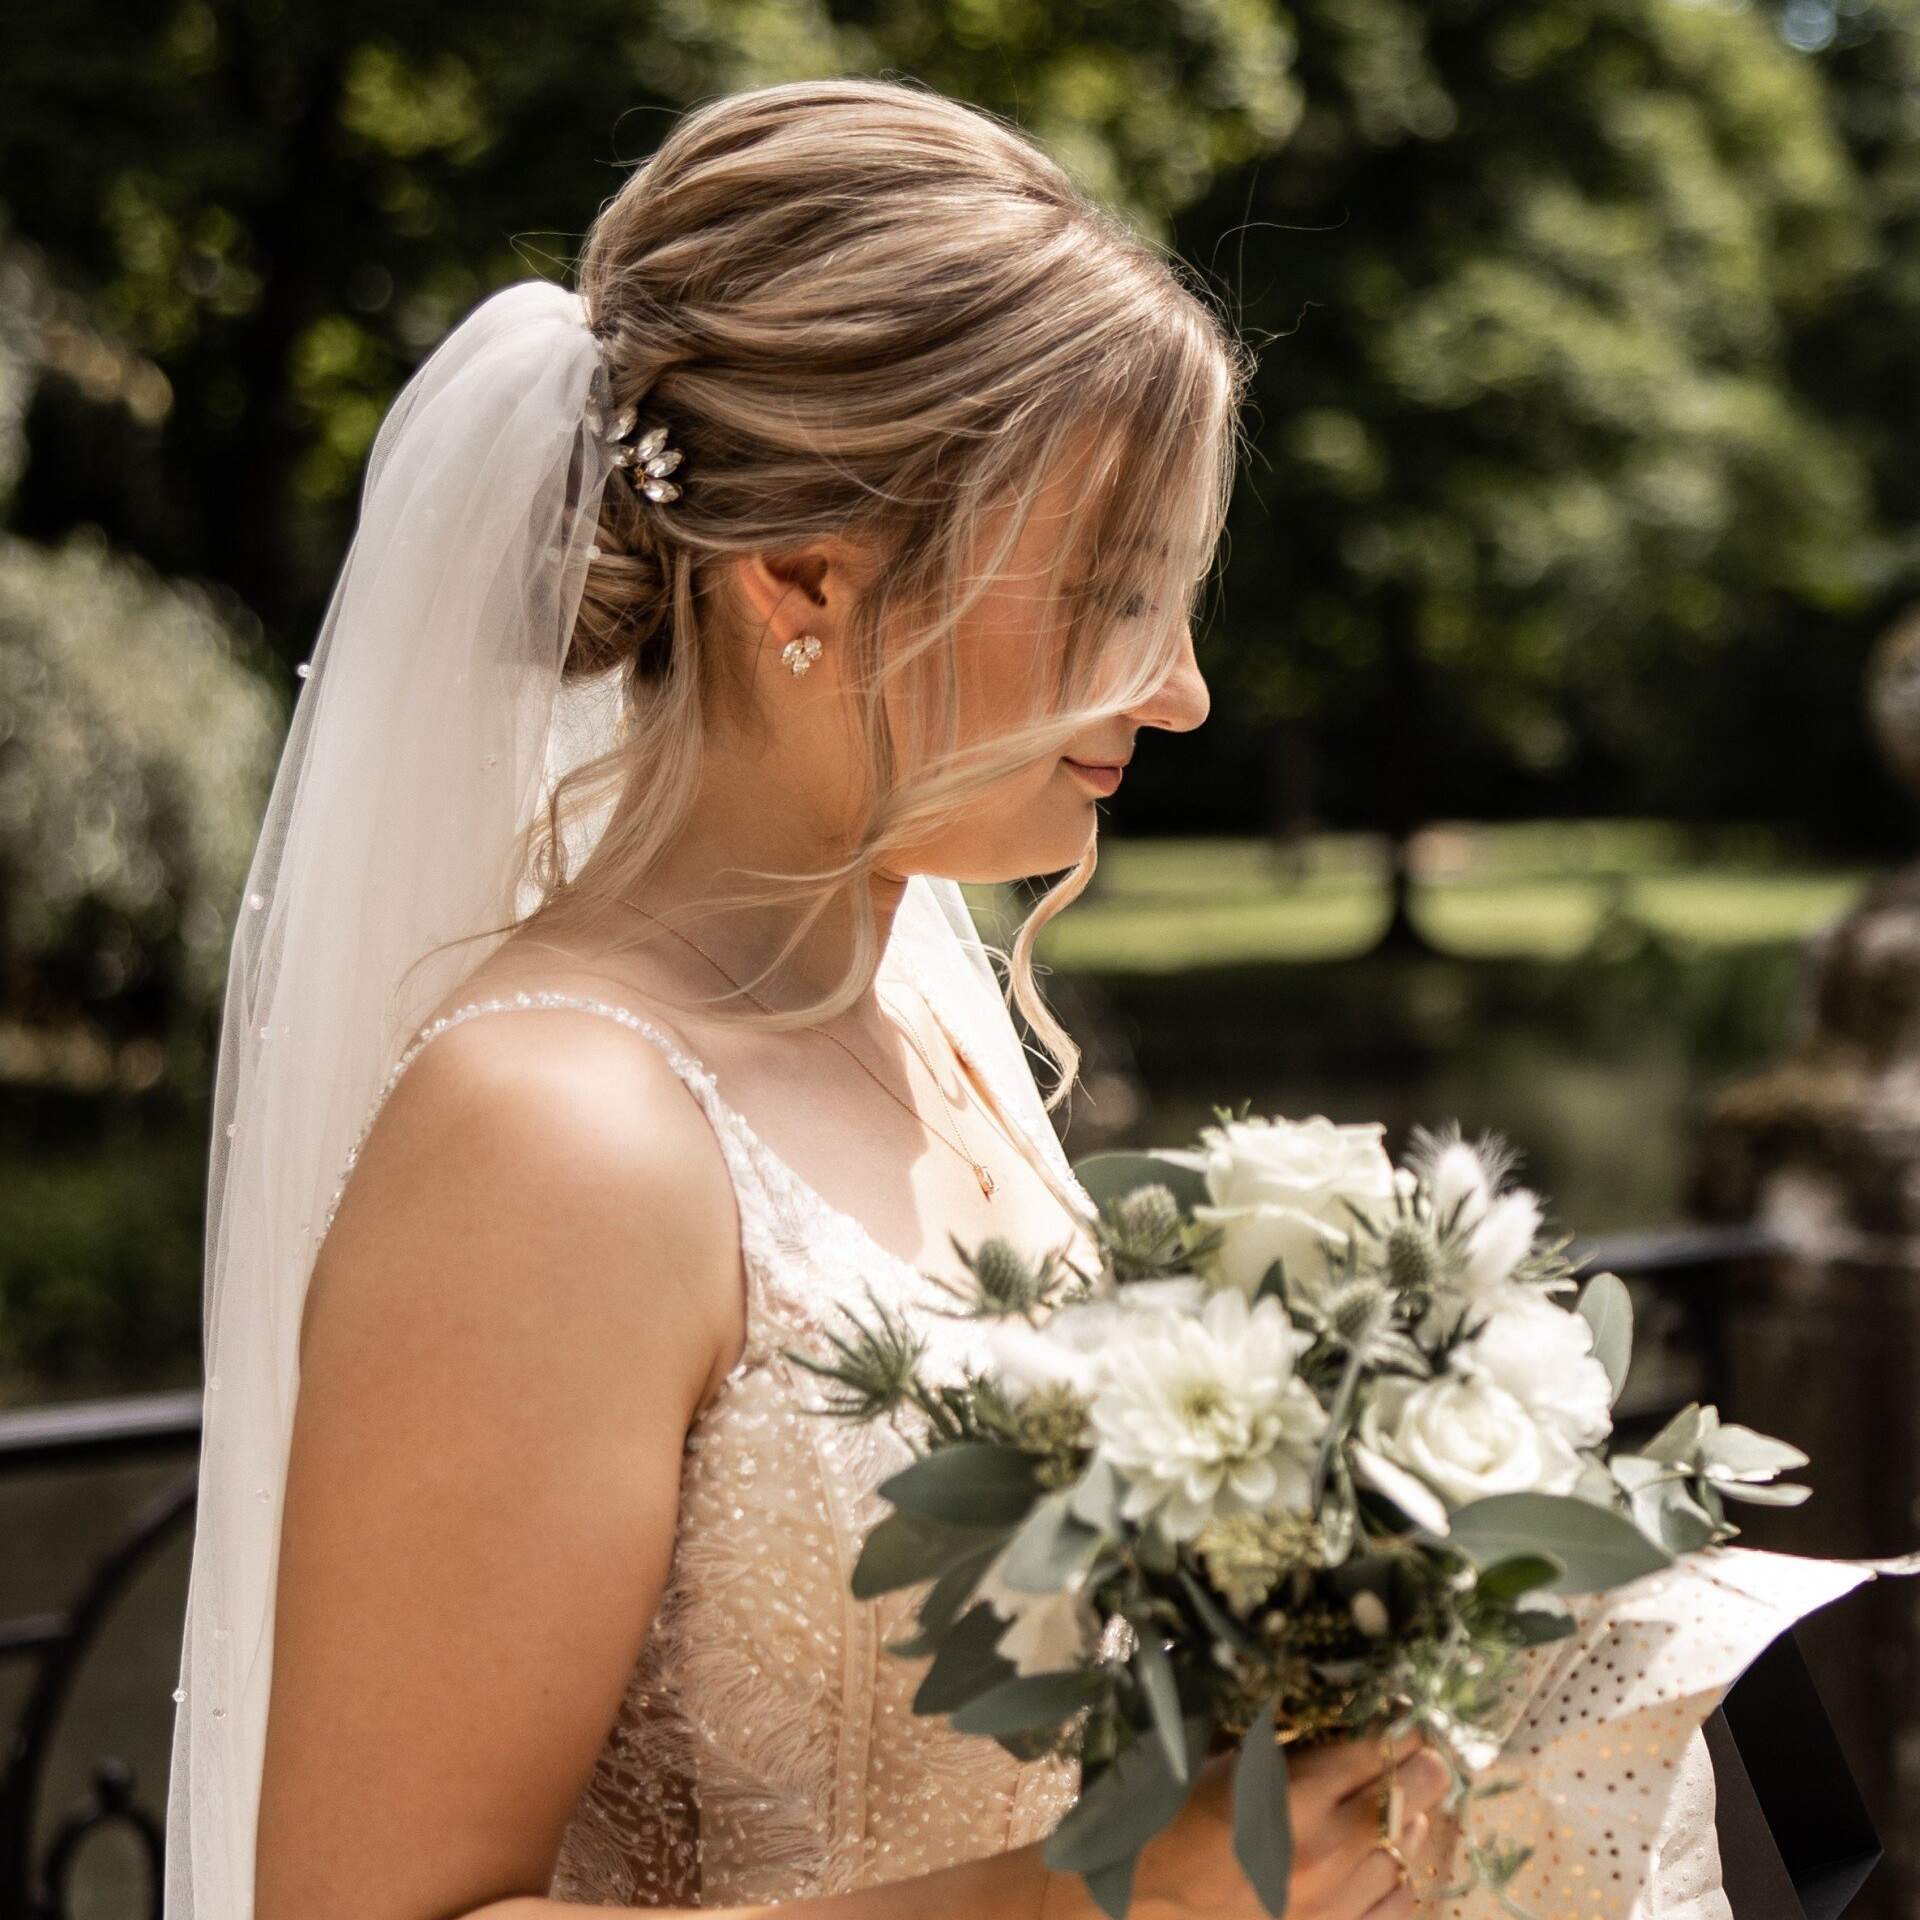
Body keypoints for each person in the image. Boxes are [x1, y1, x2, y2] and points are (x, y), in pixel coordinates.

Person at [167, 78, 1716, 1920]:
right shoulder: (555, 1137)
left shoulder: (911, 992)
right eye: (1117, 596)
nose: (1183, 691)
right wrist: (1090, 1904)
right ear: (802, 576)